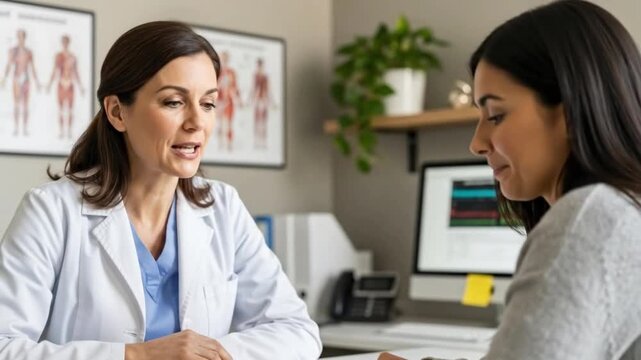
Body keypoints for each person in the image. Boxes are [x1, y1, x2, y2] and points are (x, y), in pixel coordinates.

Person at [0, 21, 321, 360]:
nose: (197, 122)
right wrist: (137, 356)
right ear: (116, 112)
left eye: (209, 104)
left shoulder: (223, 207)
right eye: (173, 102)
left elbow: (298, 331)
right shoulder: (51, 212)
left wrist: (207, 354)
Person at [380, 1, 641, 359]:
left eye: (496, 115)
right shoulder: (624, 211)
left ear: (569, 113)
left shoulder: (591, 219)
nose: (476, 143)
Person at [1, 29, 40, 136]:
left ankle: (25, 128)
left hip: (26, 79)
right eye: (18, 36)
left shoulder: (28, 52)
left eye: (22, 36)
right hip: (17, 79)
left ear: (24, 38)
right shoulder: (13, 51)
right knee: (17, 104)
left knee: (25, 105)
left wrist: (37, 82)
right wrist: (4, 79)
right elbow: (9, 65)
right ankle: (16, 128)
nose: (20, 39)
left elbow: (32, 67)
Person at [47, 34, 85, 139]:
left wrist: (81, 86)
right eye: (63, 42)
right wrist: (49, 85)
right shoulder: (58, 56)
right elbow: (55, 71)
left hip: (70, 84)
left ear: (68, 43)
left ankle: (68, 132)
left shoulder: (73, 57)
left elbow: (76, 72)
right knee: (60, 109)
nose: (64, 44)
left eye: (66, 42)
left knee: (70, 109)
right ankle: (61, 131)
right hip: (61, 83)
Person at [215, 51, 242, 151]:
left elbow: (235, 87)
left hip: (229, 101)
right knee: (220, 123)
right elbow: (214, 88)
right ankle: (220, 144)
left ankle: (229, 144)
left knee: (229, 123)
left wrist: (239, 100)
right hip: (220, 101)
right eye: (223, 59)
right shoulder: (218, 72)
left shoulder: (231, 72)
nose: (224, 61)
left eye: (226, 59)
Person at [248, 58, 275, 149]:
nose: (259, 67)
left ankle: (263, 142)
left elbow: (269, 90)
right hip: (257, 100)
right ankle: (256, 141)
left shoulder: (265, 77)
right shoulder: (255, 76)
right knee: (257, 121)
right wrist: (250, 100)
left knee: (263, 122)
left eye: (261, 65)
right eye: (258, 65)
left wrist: (271, 102)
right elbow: (252, 89)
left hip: (263, 100)